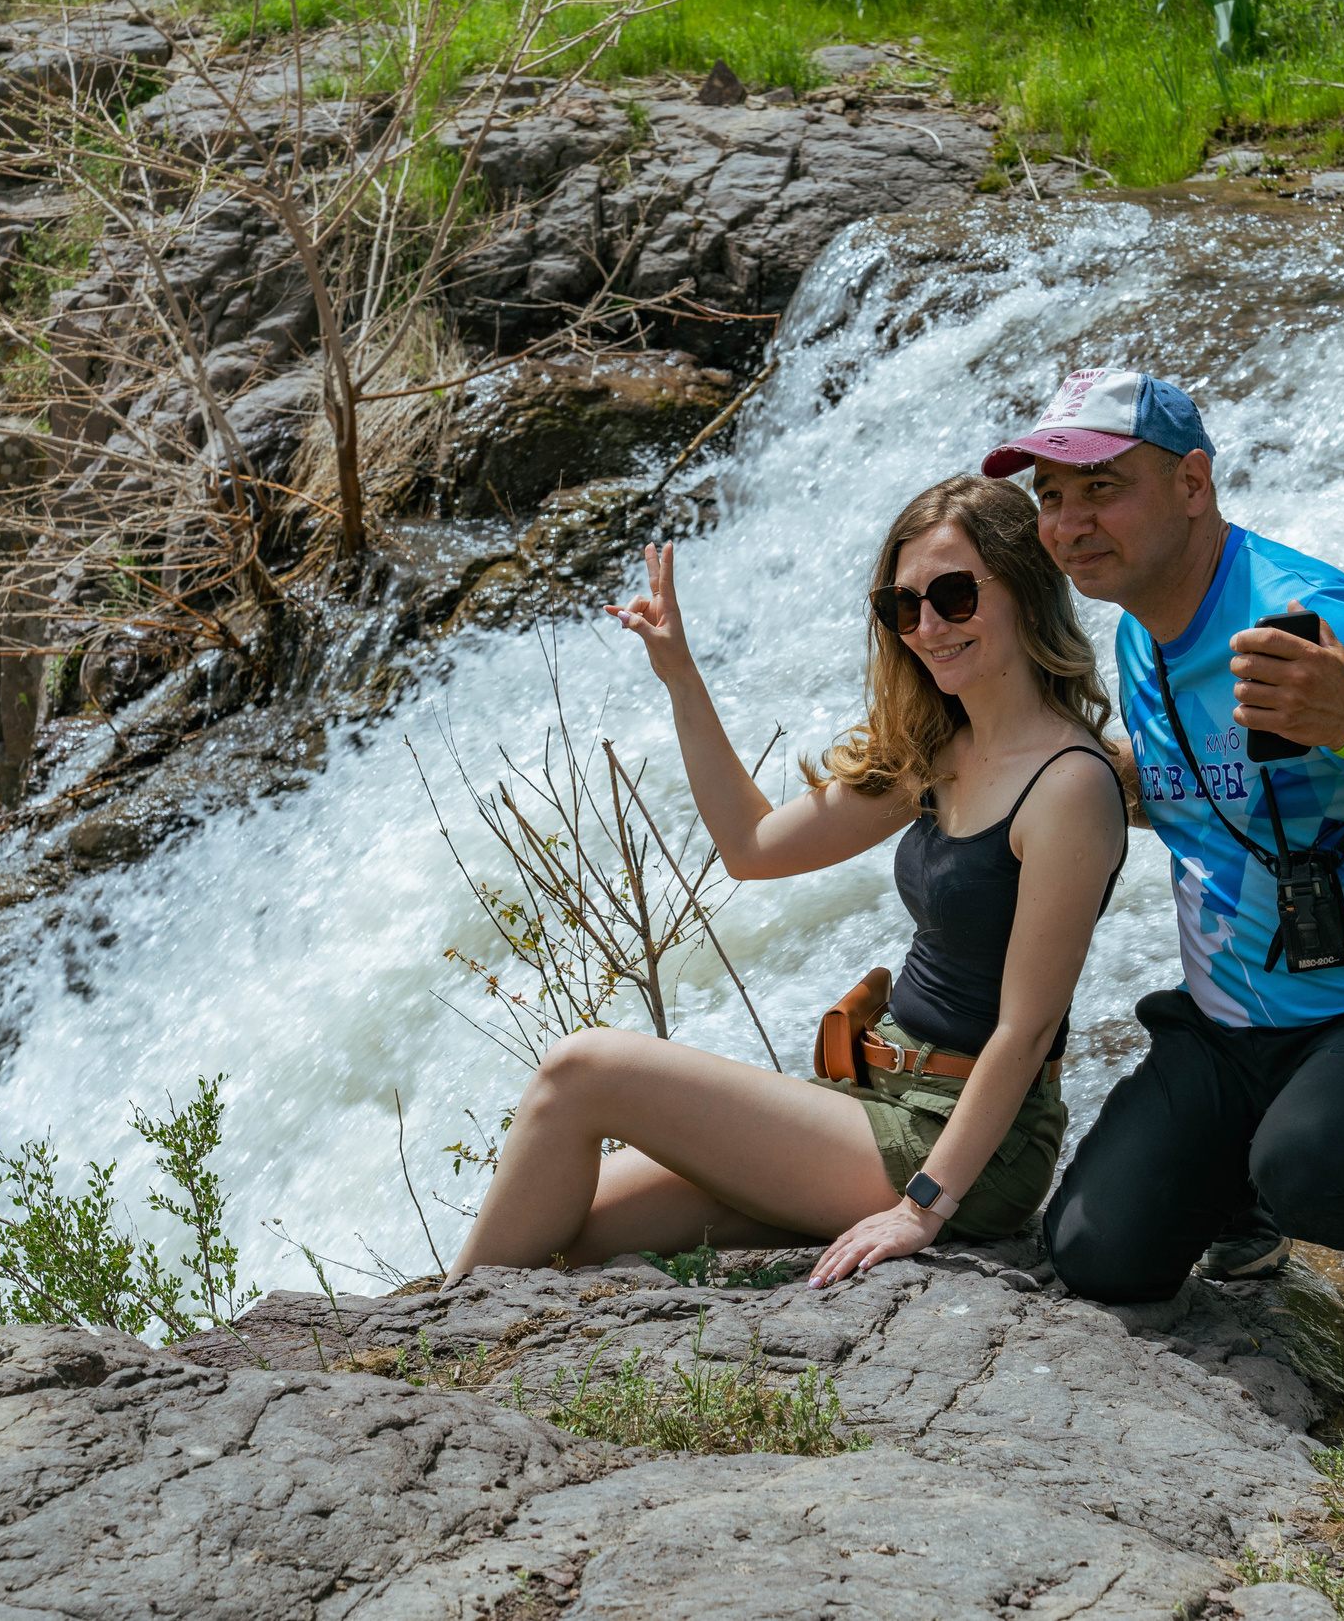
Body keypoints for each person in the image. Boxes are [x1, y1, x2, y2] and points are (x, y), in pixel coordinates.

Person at [990, 368, 1344, 1404]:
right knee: (1097, 1257)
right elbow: (1196, 789)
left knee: (1321, 1170)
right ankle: (1247, 1174)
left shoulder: (1306, 618)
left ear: (1193, 483)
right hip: (1235, 1025)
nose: (1068, 523)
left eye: (1101, 487)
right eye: (1049, 498)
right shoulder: (1140, 624)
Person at [450, 475, 1129, 1287]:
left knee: (580, 1072)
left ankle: (420, 1354)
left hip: (962, 1145)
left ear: (1024, 588)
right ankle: (441, 1347)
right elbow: (754, 845)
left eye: (953, 595)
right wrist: (680, 675)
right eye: (902, 607)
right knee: (573, 1233)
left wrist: (920, 1207)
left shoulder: (1068, 786)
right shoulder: (939, 748)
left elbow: (1023, 1032)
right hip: (873, 1102)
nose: (928, 627)